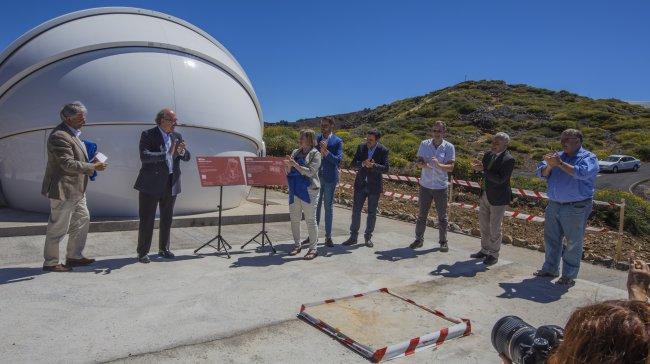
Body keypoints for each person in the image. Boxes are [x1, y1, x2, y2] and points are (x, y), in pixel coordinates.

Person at [41, 101, 108, 272]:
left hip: (77, 189)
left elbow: (75, 160)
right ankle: (51, 262)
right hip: (63, 189)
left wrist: (92, 162)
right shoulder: (59, 136)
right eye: (80, 117)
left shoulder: (73, 133)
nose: (84, 120)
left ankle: (74, 257)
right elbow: (66, 164)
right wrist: (93, 167)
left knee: (82, 219)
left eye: (84, 117)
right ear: (68, 118)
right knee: (58, 227)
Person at [533, 129, 599, 286]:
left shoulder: (588, 157)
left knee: (573, 242)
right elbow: (540, 173)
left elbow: (582, 173)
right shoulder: (557, 156)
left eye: (567, 140)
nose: (563, 143)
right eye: (562, 139)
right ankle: (550, 268)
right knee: (551, 239)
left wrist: (560, 164)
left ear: (578, 141)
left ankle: (568, 275)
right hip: (554, 204)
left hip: (575, 206)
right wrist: (549, 166)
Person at [134, 108, 191, 263]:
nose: (175, 123)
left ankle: (164, 249)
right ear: (161, 120)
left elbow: (187, 157)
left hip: (171, 183)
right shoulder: (148, 134)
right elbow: (145, 156)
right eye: (172, 120)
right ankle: (143, 252)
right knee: (147, 219)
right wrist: (167, 154)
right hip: (151, 184)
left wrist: (181, 152)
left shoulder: (176, 136)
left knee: (167, 218)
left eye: (175, 120)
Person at [470, 132, 515, 265]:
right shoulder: (488, 155)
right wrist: (477, 168)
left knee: (495, 227)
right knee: (484, 225)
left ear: (505, 144)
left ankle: (493, 254)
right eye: (493, 142)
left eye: (497, 143)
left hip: (498, 197)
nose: (493, 145)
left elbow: (501, 179)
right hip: (485, 194)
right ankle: (485, 250)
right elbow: (483, 173)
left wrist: (483, 169)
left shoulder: (509, 159)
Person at [410, 121, 455, 252]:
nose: (436, 133)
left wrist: (439, 165)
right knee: (422, 215)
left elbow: (451, 167)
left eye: (439, 131)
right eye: (434, 130)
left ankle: (443, 242)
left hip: (441, 187)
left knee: (442, 217)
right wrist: (422, 165)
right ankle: (418, 240)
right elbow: (419, 161)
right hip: (425, 185)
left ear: (443, 132)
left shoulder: (449, 147)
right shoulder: (424, 144)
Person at [342, 128, 389, 248]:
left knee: (372, 213)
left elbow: (386, 168)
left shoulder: (383, 150)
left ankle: (368, 237)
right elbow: (353, 163)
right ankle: (353, 237)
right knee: (356, 211)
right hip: (360, 184)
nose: (368, 141)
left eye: (371, 140)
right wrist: (362, 163)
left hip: (374, 186)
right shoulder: (361, 147)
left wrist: (373, 165)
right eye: (367, 139)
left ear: (377, 140)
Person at [285, 129, 321, 260]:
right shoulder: (295, 152)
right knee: (294, 219)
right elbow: (289, 171)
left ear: (310, 139)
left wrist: (295, 165)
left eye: (303, 137)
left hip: (309, 191)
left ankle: (313, 249)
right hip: (295, 189)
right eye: (300, 136)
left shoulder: (315, 154)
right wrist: (288, 166)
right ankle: (297, 245)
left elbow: (311, 172)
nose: (300, 139)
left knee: (310, 220)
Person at [314, 117, 343, 247]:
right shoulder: (316, 139)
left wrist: (326, 152)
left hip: (330, 178)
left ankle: (328, 237)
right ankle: (312, 236)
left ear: (332, 126)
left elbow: (337, 160)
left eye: (325, 125)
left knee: (328, 208)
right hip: (316, 177)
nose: (323, 128)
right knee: (315, 206)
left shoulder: (337, 141)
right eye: (322, 125)